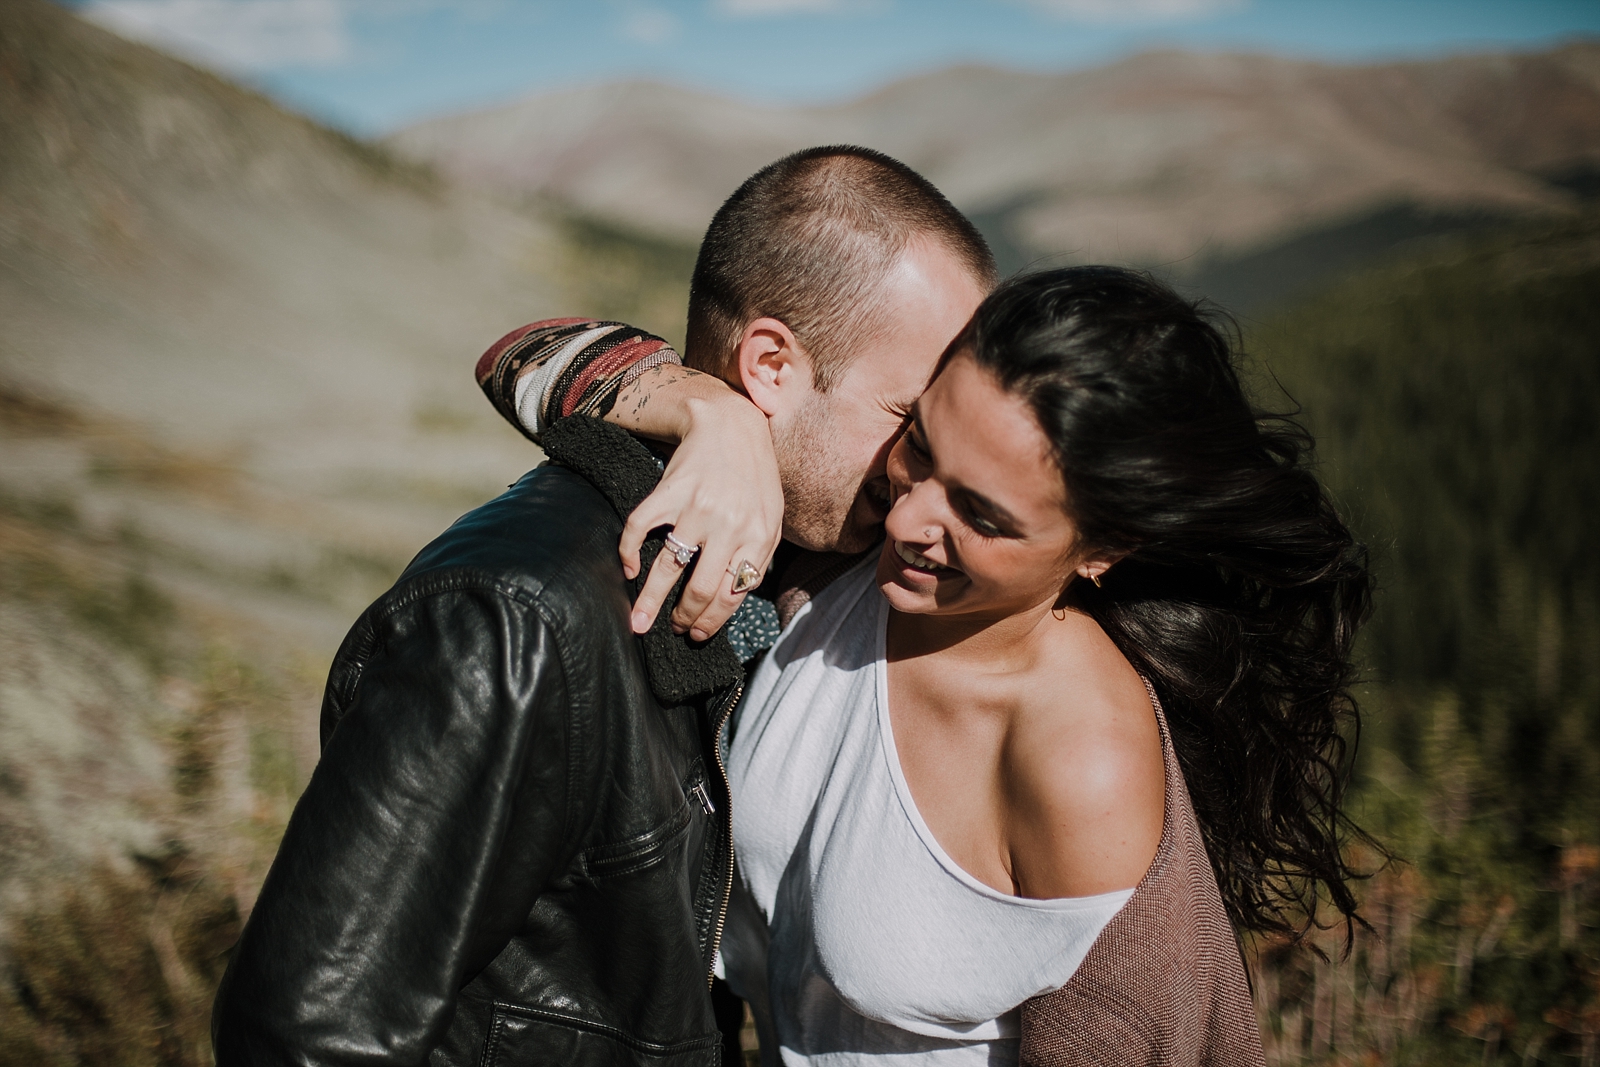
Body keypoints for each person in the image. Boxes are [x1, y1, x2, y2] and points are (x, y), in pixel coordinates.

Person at [212, 145, 995, 1067]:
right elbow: (306, 1036)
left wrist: (710, 409)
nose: (923, 468)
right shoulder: (515, 622)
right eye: (907, 417)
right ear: (772, 366)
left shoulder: (803, 542)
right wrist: (714, 413)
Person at [499, 267, 1374, 1065]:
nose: (911, 516)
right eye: (921, 443)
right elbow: (520, 356)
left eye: (982, 515)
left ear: (1104, 548)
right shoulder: (844, 552)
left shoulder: (1079, 763)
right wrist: (713, 418)